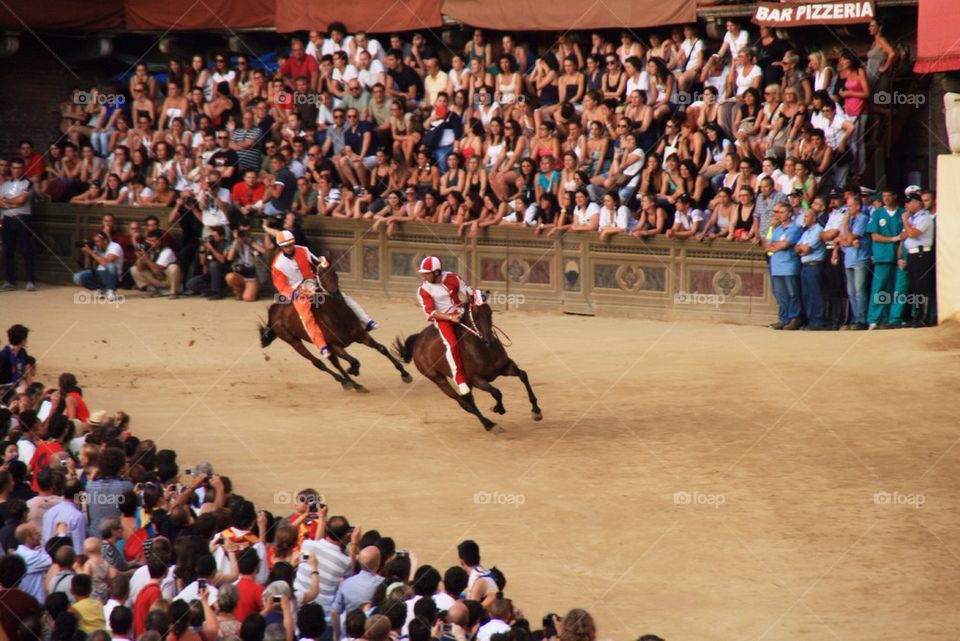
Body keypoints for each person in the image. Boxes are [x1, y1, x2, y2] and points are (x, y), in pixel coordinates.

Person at [271, 231, 376, 359]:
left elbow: (316, 262)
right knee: (306, 317)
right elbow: (280, 286)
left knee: (342, 296)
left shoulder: (303, 250)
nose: (289, 248)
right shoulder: (277, 264)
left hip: (313, 281)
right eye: (286, 246)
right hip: (298, 290)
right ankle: (322, 346)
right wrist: (295, 293)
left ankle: (366, 321)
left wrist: (322, 263)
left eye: (291, 244)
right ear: (281, 247)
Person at [416, 256, 478, 396]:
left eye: (427, 273)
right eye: (423, 273)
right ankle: (460, 379)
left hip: (461, 311)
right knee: (452, 345)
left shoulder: (453, 277)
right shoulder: (423, 289)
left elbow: (468, 290)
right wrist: (451, 317)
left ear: (437, 272)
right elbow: (431, 313)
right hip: (443, 319)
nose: (424, 276)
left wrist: (476, 296)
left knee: (482, 327)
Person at [866, 188, 904, 329]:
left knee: (897, 288)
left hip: (899, 256)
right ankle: (874, 319)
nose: (886, 198)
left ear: (895, 196)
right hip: (883, 255)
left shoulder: (902, 213)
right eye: (884, 196)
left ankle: (893, 318)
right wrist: (894, 238)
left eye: (889, 195)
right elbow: (874, 236)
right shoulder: (877, 213)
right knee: (879, 288)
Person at [0, 158, 36, 292]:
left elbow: (21, 200)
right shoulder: (4, 185)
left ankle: (30, 280)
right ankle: (10, 280)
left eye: (19, 168)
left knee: (26, 249)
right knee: (8, 251)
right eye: (14, 168)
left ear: (23, 169)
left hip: (22, 218)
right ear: (11, 169)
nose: (16, 170)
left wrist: (7, 201)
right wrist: (12, 203)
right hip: (7, 219)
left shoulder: (28, 183)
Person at [765, 203, 802, 330]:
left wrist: (777, 245)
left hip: (789, 265)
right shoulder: (777, 229)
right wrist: (777, 245)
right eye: (778, 213)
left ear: (790, 214)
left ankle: (794, 318)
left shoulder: (794, 228)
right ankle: (783, 318)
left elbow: (785, 245)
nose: (779, 215)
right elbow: (767, 246)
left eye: (782, 212)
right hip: (776, 266)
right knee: (779, 294)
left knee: (792, 293)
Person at [901, 189, 934, 327]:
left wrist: (905, 221)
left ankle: (924, 317)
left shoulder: (924, 217)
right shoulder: (912, 218)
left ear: (917, 203)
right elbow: (903, 236)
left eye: (909, 203)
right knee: (914, 286)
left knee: (922, 286)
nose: (907, 205)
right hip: (911, 253)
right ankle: (916, 315)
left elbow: (913, 233)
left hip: (922, 254)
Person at [795, 208, 826, 329]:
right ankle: (810, 320)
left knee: (815, 293)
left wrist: (802, 249)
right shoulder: (806, 232)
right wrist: (801, 249)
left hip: (814, 265)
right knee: (807, 294)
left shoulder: (818, 230)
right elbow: (796, 248)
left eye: (807, 216)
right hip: (805, 265)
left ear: (813, 218)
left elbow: (807, 249)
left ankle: (817, 321)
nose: (804, 219)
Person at [73, 231, 123, 301]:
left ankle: (111, 290)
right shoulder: (96, 248)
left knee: (111, 266)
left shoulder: (115, 246)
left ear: (105, 241)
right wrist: (87, 253)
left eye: (98, 241)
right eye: (95, 241)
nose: (96, 244)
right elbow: (87, 267)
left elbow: (106, 262)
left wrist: (91, 252)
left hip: (113, 276)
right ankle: (99, 288)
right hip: (99, 274)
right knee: (77, 277)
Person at [131, 229, 182, 298]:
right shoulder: (147, 249)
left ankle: (173, 292)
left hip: (167, 279)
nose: (149, 243)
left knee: (174, 267)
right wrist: (140, 258)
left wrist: (146, 259)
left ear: (159, 241)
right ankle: (152, 290)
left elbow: (158, 270)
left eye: (152, 241)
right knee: (134, 269)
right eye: (148, 240)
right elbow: (139, 269)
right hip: (156, 279)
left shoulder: (167, 250)